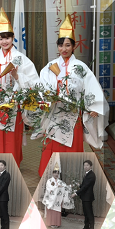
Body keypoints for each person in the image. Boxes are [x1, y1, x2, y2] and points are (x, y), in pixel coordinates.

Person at [36, 15, 109, 176]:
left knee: (72, 146)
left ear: (74, 46)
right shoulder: (49, 67)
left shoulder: (81, 67)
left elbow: (91, 89)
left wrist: (93, 106)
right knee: (53, 145)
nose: (64, 49)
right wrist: (49, 96)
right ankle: (50, 176)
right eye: (61, 45)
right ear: (57, 47)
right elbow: (43, 88)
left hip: (73, 115)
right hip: (55, 114)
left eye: (68, 45)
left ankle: (72, 174)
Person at [0, 7, 39, 168]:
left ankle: (12, 164)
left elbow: (34, 82)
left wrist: (17, 76)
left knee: (12, 134)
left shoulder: (20, 59)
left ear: (13, 38)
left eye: (7, 38)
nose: (4, 41)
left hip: (14, 103)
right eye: (1, 38)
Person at [42, 163, 74, 228]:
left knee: (57, 212)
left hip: (58, 200)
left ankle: (56, 224)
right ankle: (50, 223)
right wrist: (57, 187)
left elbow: (65, 187)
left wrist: (71, 186)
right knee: (52, 211)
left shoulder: (60, 181)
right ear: (52, 173)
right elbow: (49, 189)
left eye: (57, 173)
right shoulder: (49, 181)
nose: (56, 174)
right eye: (55, 173)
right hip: (51, 199)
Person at [72, 160, 96, 229]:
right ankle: (86, 228)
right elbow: (84, 185)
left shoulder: (91, 175)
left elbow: (86, 187)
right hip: (85, 197)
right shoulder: (87, 174)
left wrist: (76, 193)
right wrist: (79, 184)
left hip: (88, 198)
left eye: (87, 165)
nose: (85, 167)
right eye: (84, 165)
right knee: (86, 214)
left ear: (91, 166)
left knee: (89, 214)